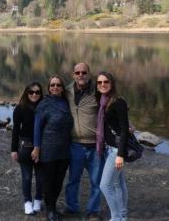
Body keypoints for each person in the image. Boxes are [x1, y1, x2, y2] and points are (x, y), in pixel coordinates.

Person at [64, 63, 104, 220]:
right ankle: (71, 207)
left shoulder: (98, 92)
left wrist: (127, 123)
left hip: (95, 146)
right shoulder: (66, 92)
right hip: (74, 145)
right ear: (73, 74)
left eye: (84, 72)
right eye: (77, 72)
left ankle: (93, 211)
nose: (81, 75)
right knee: (73, 179)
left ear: (89, 74)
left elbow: (115, 104)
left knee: (96, 181)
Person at [32, 75, 73, 221]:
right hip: (48, 148)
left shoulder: (67, 103)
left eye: (58, 85)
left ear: (62, 88)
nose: (55, 87)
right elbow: (37, 128)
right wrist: (36, 148)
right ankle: (50, 211)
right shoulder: (43, 104)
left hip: (65, 149)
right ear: (49, 88)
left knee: (59, 181)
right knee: (48, 181)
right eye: (52, 85)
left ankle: (53, 207)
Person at [96, 71, 129, 221]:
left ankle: (116, 217)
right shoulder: (103, 100)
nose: (102, 84)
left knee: (105, 186)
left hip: (116, 150)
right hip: (109, 148)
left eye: (106, 82)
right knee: (117, 183)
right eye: (99, 82)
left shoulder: (118, 102)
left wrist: (120, 155)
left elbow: (124, 130)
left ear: (112, 83)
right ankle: (122, 215)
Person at [11, 82, 44, 215]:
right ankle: (27, 202)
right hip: (24, 146)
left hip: (42, 147)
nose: (34, 94)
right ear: (26, 93)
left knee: (41, 177)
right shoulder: (20, 108)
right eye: (31, 92)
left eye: (37, 92)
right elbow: (15, 130)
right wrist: (13, 150)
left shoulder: (44, 107)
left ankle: (38, 200)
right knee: (26, 177)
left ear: (41, 94)